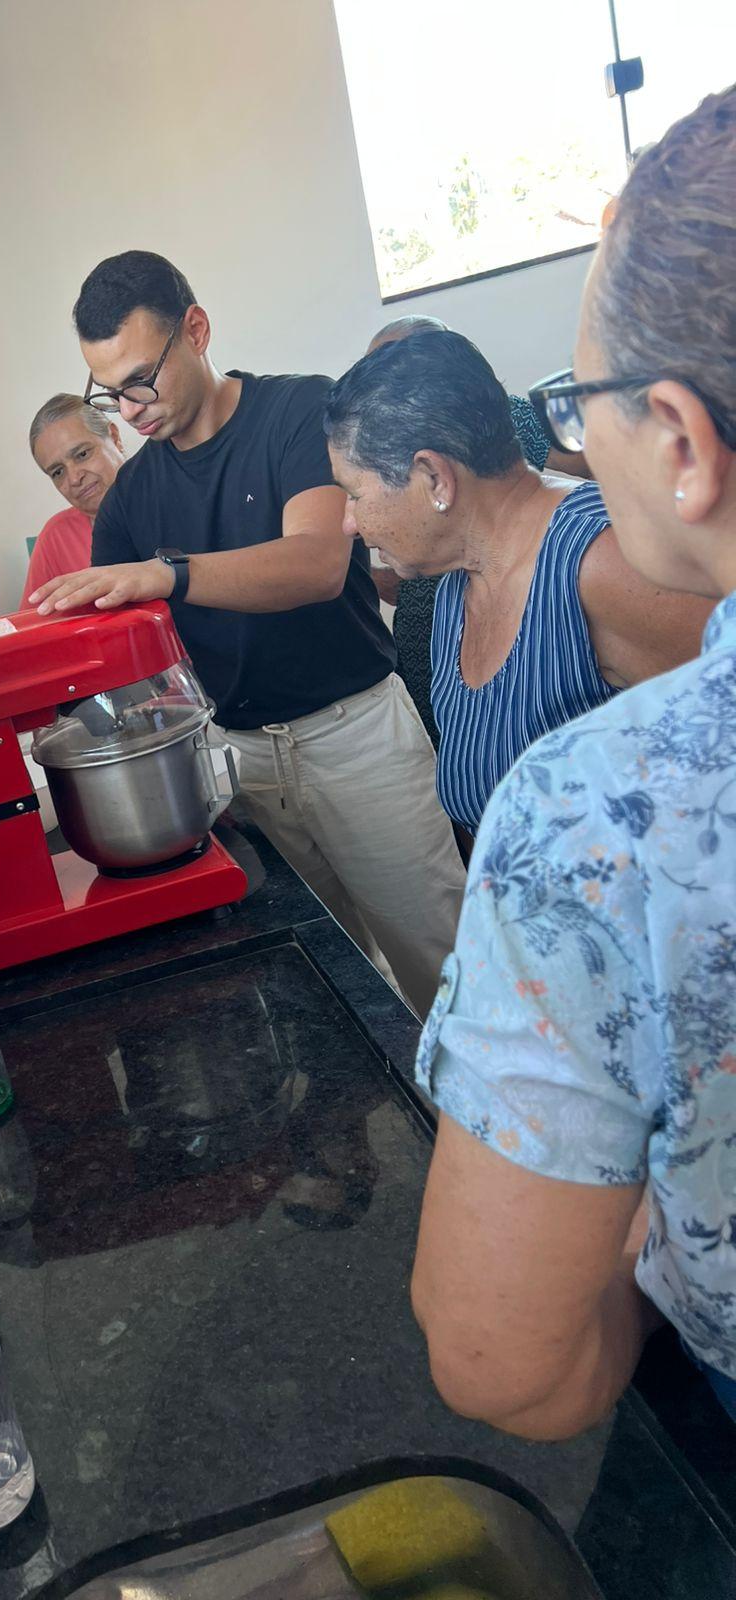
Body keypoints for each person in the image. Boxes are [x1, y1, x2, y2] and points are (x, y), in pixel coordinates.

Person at [409, 85, 736, 1440]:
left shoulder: (593, 814)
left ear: (681, 440)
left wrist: (658, 1277)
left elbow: (504, 1361)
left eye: (578, 399)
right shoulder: (445, 606)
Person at [29, 250, 465, 1016]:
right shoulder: (131, 501)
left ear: (196, 331)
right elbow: (117, 661)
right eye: (110, 390)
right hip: (243, 762)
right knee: (332, 983)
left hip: (355, 739)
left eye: (140, 379)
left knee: (446, 968)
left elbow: (316, 564)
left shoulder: (300, 411)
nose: (128, 409)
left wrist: (167, 574)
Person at [324, 328, 710, 838]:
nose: (348, 523)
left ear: (434, 478)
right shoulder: (457, 579)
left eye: (354, 493)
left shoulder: (604, 564)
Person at [364, 316, 589, 749]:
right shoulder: (383, 449)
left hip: (517, 625)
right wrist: (382, 576)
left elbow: (580, 473)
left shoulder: (506, 419)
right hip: (429, 630)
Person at [23, 394, 125, 602]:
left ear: (114, 438)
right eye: (58, 472)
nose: (74, 478)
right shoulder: (56, 537)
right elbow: (37, 619)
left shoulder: (174, 496)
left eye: (82, 454)